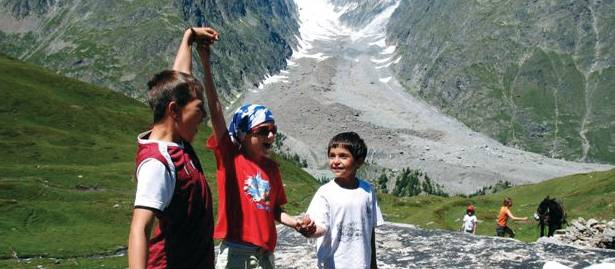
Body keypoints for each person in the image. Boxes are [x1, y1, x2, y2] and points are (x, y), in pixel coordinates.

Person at [173, 27, 302, 268]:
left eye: (273, 129)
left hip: (265, 255)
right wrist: (206, 62)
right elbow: (217, 110)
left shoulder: (272, 168)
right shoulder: (230, 158)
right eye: (262, 131)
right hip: (237, 252)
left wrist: (293, 221)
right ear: (243, 135)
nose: (271, 135)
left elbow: (274, 209)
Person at [128, 27, 219, 269]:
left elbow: (180, 78)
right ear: (174, 111)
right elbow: (140, 227)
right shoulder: (157, 163)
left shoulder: (176, 140)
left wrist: (188, 37)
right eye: (199, 109)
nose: (203, 118)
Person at [300, 132, 384, 269]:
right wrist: (309, 230)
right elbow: (320, 228)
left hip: (361, 264)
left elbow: (370, 230)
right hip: (333, 264)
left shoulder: (367, 191)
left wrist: (373, 263)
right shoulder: (325, 192)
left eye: (343, 156)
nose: (336, 161)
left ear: (359, 161)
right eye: (332, 156)